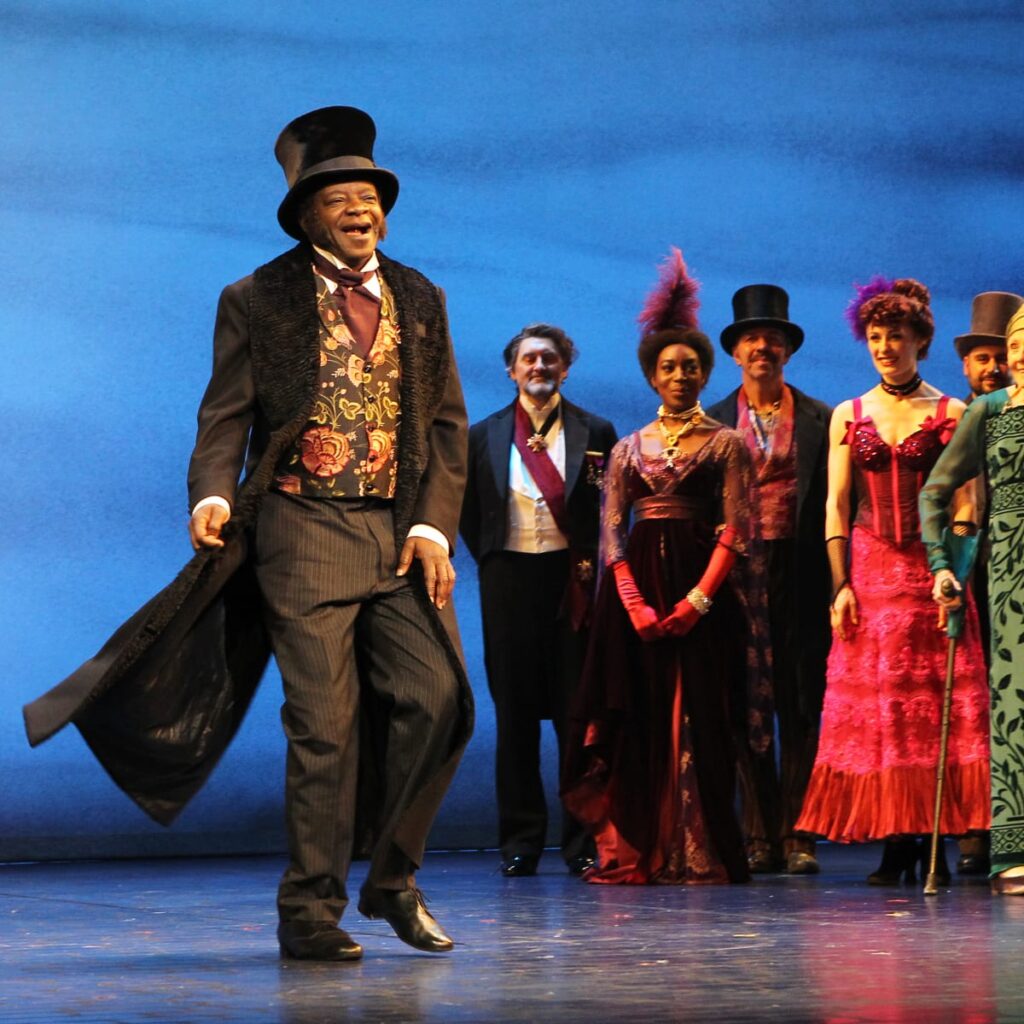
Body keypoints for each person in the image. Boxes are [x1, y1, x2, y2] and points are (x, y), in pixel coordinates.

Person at [25, 106, 473, 961]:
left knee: (439, 700)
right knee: (325, 726)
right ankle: (310, 911)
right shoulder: (257, 297)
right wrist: (209, 494)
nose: (358, 209)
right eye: (337, 197)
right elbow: (224, 414)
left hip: (395, 533)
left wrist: (432, 527)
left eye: (369, 196)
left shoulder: (421, 297)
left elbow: (448, 425)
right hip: (301, 532)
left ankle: (391, 878)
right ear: (305, 216)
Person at [561, 250, 772, 885]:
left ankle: (701, 847)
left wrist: (697, 602)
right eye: (668, 367)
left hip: (702, 596)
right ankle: (642, 844)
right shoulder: (629, 447)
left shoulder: (727, 444)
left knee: (704, 715)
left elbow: (737, 528)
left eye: (691, 366)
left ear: (706, 373)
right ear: (652, 376)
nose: (680, 375)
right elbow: (611, 530)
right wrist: (633, 602)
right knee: (640, 715)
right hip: (637, 601)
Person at [795, 277, 989, 883]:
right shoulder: (848, 414)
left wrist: (951, 570)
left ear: (919, 341)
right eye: (876, 336)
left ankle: (934, 841)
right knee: (884, 712)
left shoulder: (952, 412)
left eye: (895, 336)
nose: (884, 347)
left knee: (932, 710)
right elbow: (836, 504)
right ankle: (897, 840)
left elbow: (967, 501)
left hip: (933, 571)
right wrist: (840, 584)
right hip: (872, 571)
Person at [460, 324, 617, 877]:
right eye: (529, 359)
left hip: (573, 584)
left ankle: (582, 840)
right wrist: (493, 560)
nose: (539, 367)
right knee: (515, 717)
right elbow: (468, 511)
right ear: (511, 370)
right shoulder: (482, 435)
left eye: (550, 358)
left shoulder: (597, 431)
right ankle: (521, 841)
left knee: (578, 716)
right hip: (508, 584)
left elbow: (608, 508)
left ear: (565, 369)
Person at [707, 285, 831, 876]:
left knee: (800, 702)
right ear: (735, 352)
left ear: (788, 350)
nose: (762, 346)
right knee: (744, 704)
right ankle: (757, 832)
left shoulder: (821, 419)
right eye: (751, 338)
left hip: (800, 571)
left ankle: (799, 833)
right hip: (737, 575)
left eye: (772, 337)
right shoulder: (711, 422)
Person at [922, 302, 1024, 894]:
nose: (1020, 353)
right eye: (1015, 343)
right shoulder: (988, 410)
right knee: (1014, 701)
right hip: (1010, 566)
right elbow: (935, 490)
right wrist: (941, 563)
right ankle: (1013, 848)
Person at [951, 290, 1023, 875]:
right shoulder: (961, 415)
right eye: (984, 357)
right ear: (966, 365)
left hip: (1007, 564)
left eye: (1004, 354)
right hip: (972, 566)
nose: (995, 365)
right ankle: (979, 826)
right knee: (975, 702)